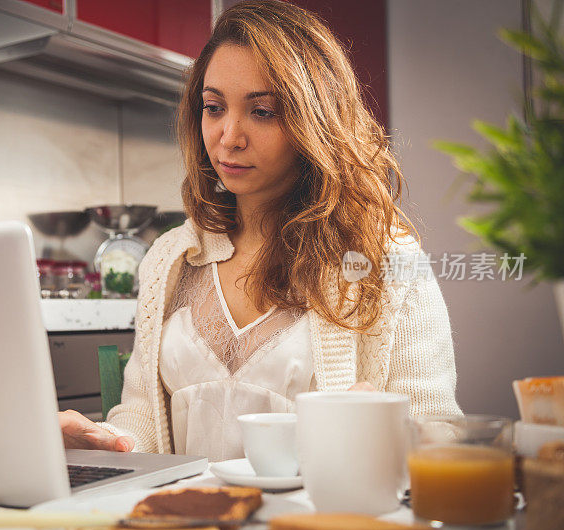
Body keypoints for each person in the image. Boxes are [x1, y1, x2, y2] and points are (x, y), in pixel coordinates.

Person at [59, 0, 461, 460]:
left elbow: (442, 436)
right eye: (213, 107)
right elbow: (142, 422)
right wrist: (97, 442)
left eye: (263, 111)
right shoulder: (170, 258)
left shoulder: (386, 258)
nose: (229, 136)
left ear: (315, 122)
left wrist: (388, 430)